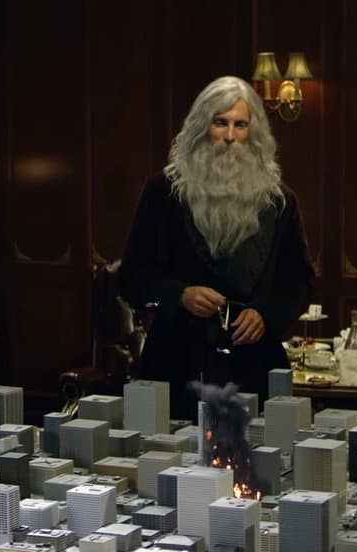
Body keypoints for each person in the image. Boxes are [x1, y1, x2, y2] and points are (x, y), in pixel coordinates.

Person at [118, 76, 315, 419]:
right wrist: (180, 295)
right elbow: (132, 279)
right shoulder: (163, 193)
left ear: (254, 133)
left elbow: (299, 283)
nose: (230, 136)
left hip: (253, 367)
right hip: (176, 367)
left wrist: (265, 314)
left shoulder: (280, 202)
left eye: (240, 125)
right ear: (201, 127)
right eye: (220, 123)